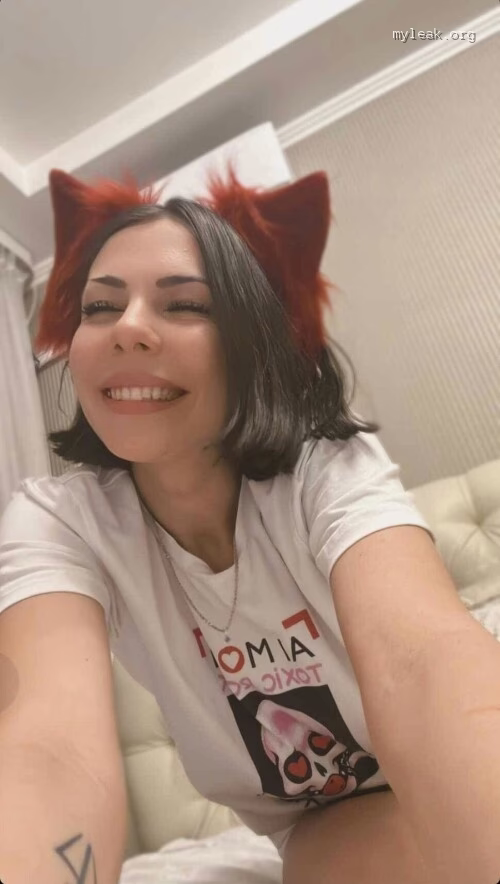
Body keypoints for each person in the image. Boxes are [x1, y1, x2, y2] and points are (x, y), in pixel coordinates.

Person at [1, 167, 500, 884]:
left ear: (249, 342)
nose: (127, 327)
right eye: (100, 307)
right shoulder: (57, 523)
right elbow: (52, 752)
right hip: (321, 825)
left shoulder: (324, 469)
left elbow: (422, 661)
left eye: (184, 305)